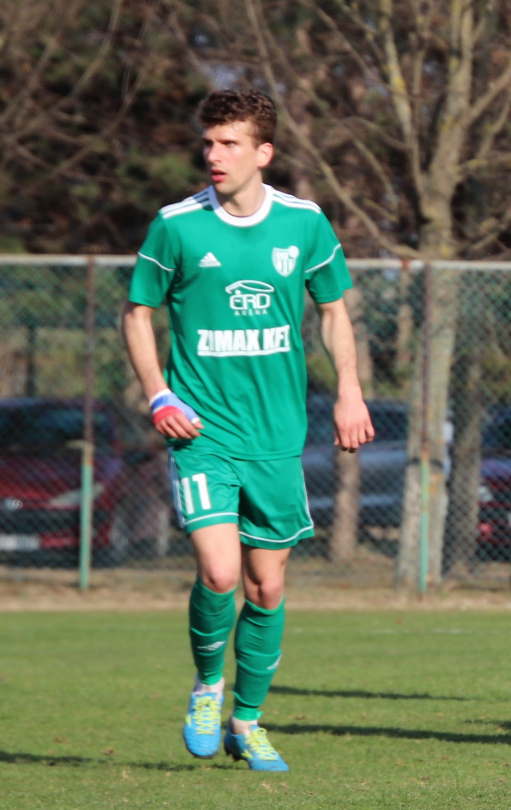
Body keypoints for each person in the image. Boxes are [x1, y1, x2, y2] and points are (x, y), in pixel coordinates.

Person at [122, 90, 374, 772]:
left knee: (267, 587)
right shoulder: (176, 225)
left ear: (263, 152)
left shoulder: (304, 223)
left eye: (229, 143)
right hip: (200, 431)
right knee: (220, 570)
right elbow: (138, 313)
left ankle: (248, 721)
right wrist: (158, 394)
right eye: (208, 142)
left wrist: (349, 391)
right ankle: (208, 686)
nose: (214, 154)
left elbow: (333, 311)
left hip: (277, 437)